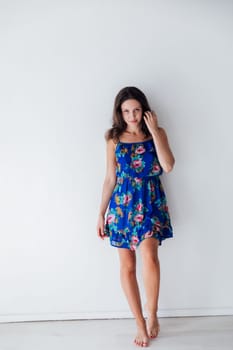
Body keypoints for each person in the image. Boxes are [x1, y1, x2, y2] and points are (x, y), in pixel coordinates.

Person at [96, 86, 175, 347]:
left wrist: (153, 132)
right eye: (126, 111)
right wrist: (100, 213)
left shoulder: (157, 133)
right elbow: (110, 178)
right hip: (122, 206)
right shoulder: (113, 138)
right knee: (127, 267)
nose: (132, 115)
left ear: (144, 110)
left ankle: (153, 314)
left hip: (151, 201)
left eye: (136, 110)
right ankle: (139, 322)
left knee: (150, 257)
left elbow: (168, 165)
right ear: (120, 112)